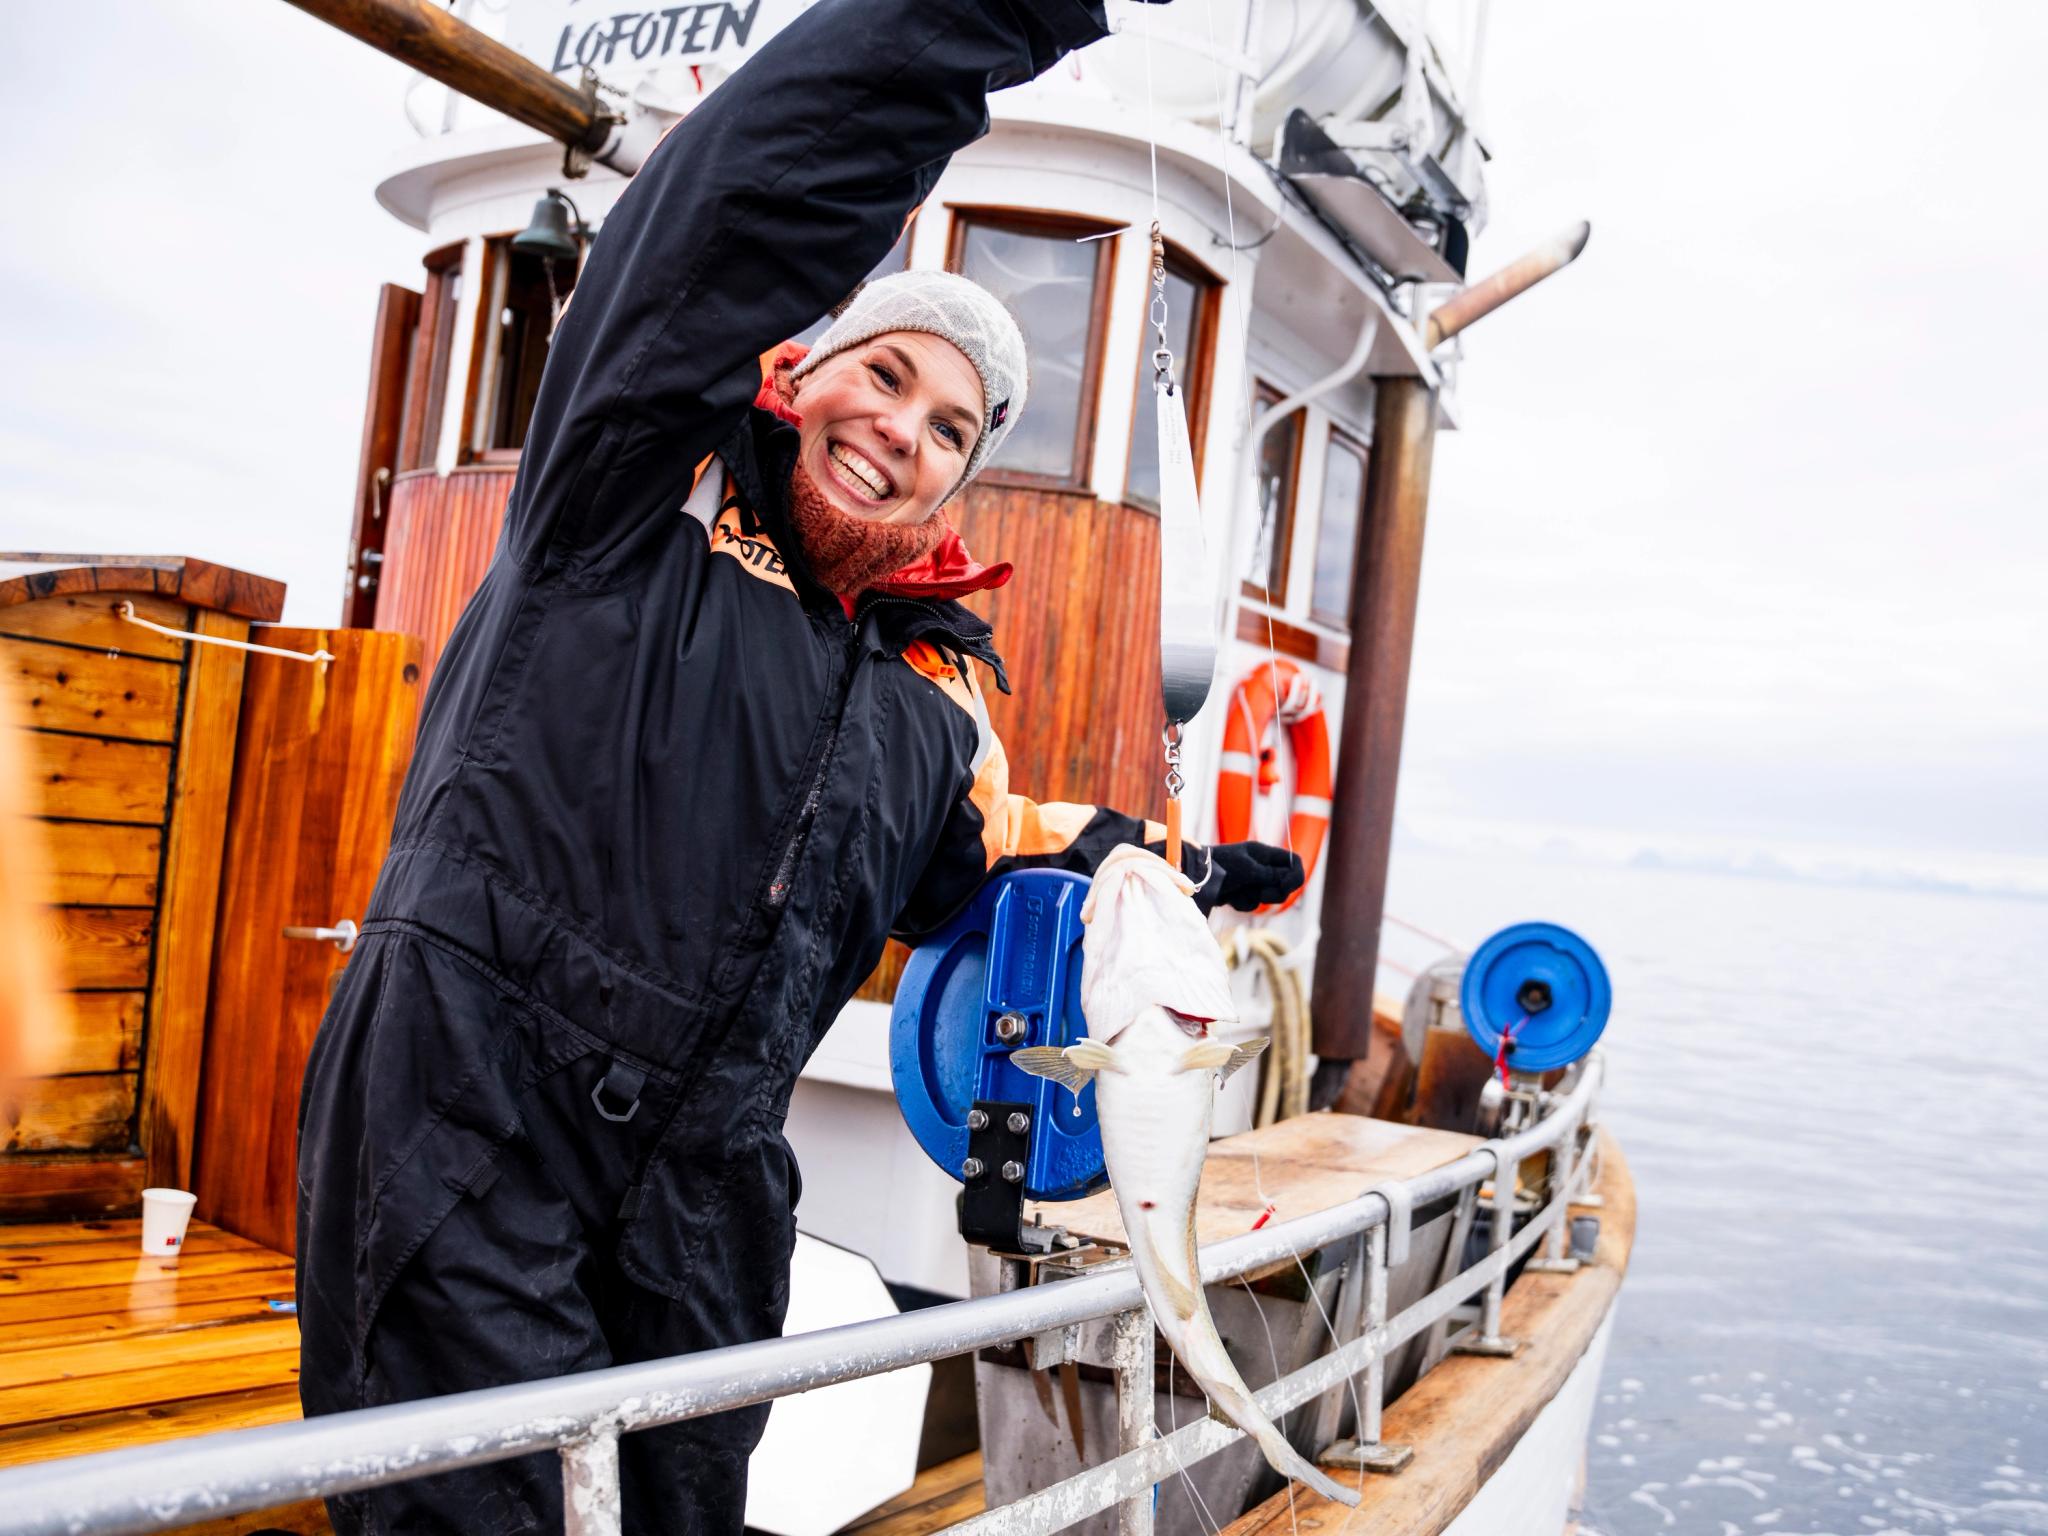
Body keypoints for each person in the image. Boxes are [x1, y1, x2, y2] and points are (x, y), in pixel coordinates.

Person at [295, 0, 1302, 1529]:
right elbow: (739, 207)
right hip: (472, 1108)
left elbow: (987, 861)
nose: (901, 430)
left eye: (951, 426)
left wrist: (1180, 873)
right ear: (803, 367)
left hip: (707, 1200)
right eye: (884, 375)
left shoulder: (930, 694)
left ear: (966, 478)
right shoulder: (635, 493)